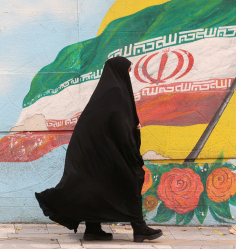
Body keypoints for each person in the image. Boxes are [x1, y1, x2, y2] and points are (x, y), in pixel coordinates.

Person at [35, 56, 163, 243]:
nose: (129, 74)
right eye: (127, 71)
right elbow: (119, 124)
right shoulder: (116, 92)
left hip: (95, 153)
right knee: (131, 180)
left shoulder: (107, 92)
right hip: (107, 152)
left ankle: (93, 229)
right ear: (119, 71)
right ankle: (139, 228)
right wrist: (132, 134)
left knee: (95, 187)